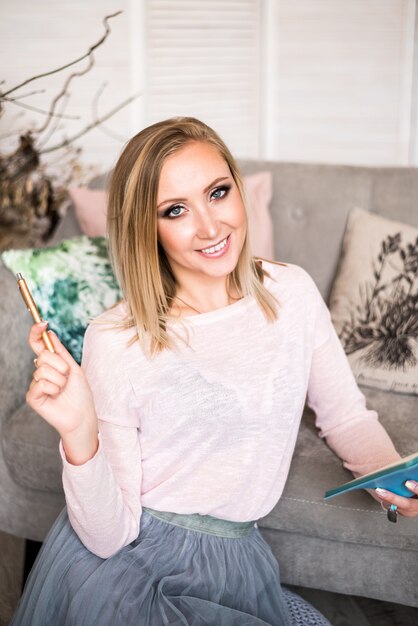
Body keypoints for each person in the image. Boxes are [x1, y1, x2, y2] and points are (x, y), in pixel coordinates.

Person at [11, 117, 418, 626]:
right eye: (176, 210)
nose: (210, 227)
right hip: (131, 570)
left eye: (218, 192)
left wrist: (393, 481)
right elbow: (107, 535)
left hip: (238, 559)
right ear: (147, 226)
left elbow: (345, 418)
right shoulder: (117, 339)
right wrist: (79, 430)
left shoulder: (291, 292)